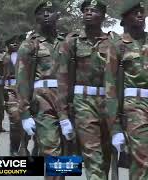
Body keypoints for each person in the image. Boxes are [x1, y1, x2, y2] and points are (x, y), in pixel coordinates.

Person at [57, 0, 112, 179]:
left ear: (103, 16)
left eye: (94, 10)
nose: (88, 13)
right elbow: (64, 79)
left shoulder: (113, 42)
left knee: (105, 156)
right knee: (92, 155)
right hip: (83, 103)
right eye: (86, 10)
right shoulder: (72, 42)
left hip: (108, 104)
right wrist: (63, 115)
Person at [17, 1, 66, 179]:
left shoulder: (66, 42)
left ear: (57, 16)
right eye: (42, 12)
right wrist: (24, 113)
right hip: (43, 103)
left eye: (50, 11)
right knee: (52, 151)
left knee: (65, 154)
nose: (46, 15)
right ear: (36, 18)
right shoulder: (29, 45)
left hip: (66, 104)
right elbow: (22, 81)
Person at [105, 1, 148, 179]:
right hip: (134, 106)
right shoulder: (118, 45)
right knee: (142, 159)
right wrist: (114, 125)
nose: (140, 15)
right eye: (135, 12)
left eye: (142, 12)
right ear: (125, 19)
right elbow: (110, 85)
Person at [3, 34, 25, 156]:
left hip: (24, 90)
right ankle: (14, 147)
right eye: (12, 43)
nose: (15, 44)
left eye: (16, 42)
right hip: (10, 90)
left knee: (26, 119)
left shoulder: (25, 56)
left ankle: (24, 146)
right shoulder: (3, 58)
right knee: (15, 119)